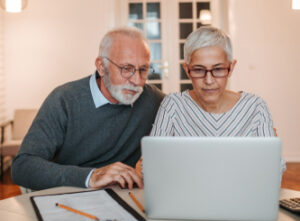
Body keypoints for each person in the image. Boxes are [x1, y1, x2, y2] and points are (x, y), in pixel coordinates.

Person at [12, 27, 164, 190]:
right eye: (126, 69)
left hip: (121, 196)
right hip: (68, 193)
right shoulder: (64, 100)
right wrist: (91, 176)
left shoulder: (151, 98)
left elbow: (185, 109)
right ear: (101, 66)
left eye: (143, 70)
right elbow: (23, 167)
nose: (136, 80)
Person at [149, 26, 285, 173]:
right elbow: (151, 166)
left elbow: (274, 167)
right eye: (199, 70)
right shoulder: (173, 105)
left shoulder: (255, 107)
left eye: (218, 69)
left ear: (231, 68)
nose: (208, 80)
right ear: (187, 69)